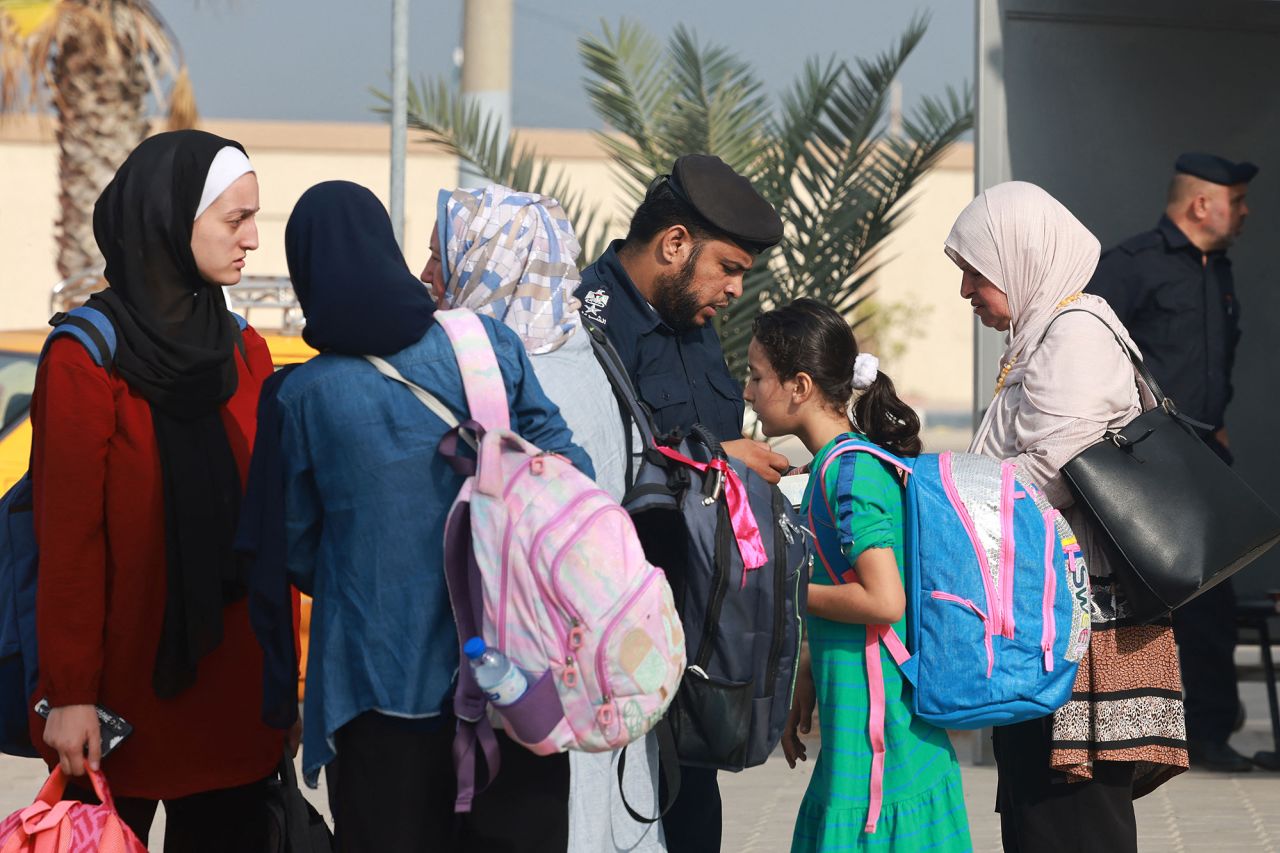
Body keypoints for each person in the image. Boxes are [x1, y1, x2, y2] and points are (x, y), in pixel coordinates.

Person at [275, 180, 591, 853]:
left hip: (378, 688)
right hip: (513, 677)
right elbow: (573, 473)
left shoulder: (303, 394)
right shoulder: (487, 345)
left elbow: (297, 548)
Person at [29, 130, 283, 850]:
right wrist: (70, 693)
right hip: (113, 713)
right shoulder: (86, 358)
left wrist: (284, 690)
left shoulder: (244, 351)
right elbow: (70, 538)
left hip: (231, 700)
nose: (254, 239)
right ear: (173, 221)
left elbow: (267, 532)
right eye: (236, 220)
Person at [946, 181, 1188, 852]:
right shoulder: (1045, 335)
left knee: (1070, 824)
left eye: (976, 270)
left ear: (1023, 256)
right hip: (1053, 624)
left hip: (1082, 636)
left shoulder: (1075, 335)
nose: (967, 290)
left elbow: (1054, 468)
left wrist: (940, 487)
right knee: (1042, 816)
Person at [422, 183, 664, 852]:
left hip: (541, 676)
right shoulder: (587, 358)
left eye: (443, 256)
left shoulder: (517, 380)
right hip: (594, 658)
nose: (426, 275)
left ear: (491, 261)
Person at [573, 153, 789, 852]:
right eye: (727, 267)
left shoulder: (694, 325)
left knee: (695, 824)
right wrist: (720, 460)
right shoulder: (588, 328)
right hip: (613, 641)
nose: (733, 290)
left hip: (695, 639)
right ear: (674, 244)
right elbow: (590, 472)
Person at [753, 299, 972, 852]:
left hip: (886, 751)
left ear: (799, 386)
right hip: (860, 733)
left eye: (757, 376)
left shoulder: (851, 473)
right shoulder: (837, 465)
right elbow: (841, 582)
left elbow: (882, 600)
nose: (750, 391)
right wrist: (806, 670)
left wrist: (784, 584)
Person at [1086, 152, 1256, 772]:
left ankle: (1209, 734)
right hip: (1145, 462)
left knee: (1213, 596)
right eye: (1236, 201)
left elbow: (1213, 367)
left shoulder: (1219, 271)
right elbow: (1090, 350)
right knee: (1137, 601)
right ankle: (1128, 738)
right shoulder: (1131, 267)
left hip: (1203, 460)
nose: (1245, 213)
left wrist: (1223, 425)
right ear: (1201, 204)